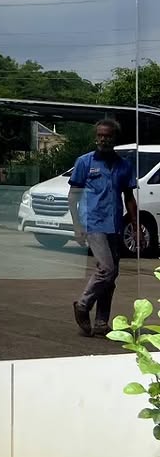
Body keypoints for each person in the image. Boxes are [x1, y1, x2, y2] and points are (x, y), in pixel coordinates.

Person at [70, 118, 138, 339]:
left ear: (114, 138)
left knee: (111, 276)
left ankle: (101, 323)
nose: (103, 139)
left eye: (107, 136)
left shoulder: (124, 165)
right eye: (100, 135)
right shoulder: (84, 162)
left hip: (114, 225)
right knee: (106, 269)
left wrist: (135, 227)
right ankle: (82, 305)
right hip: (93, 222)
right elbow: (73, 196)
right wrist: (77, 225)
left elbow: (129, 197)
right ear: (95, 137)